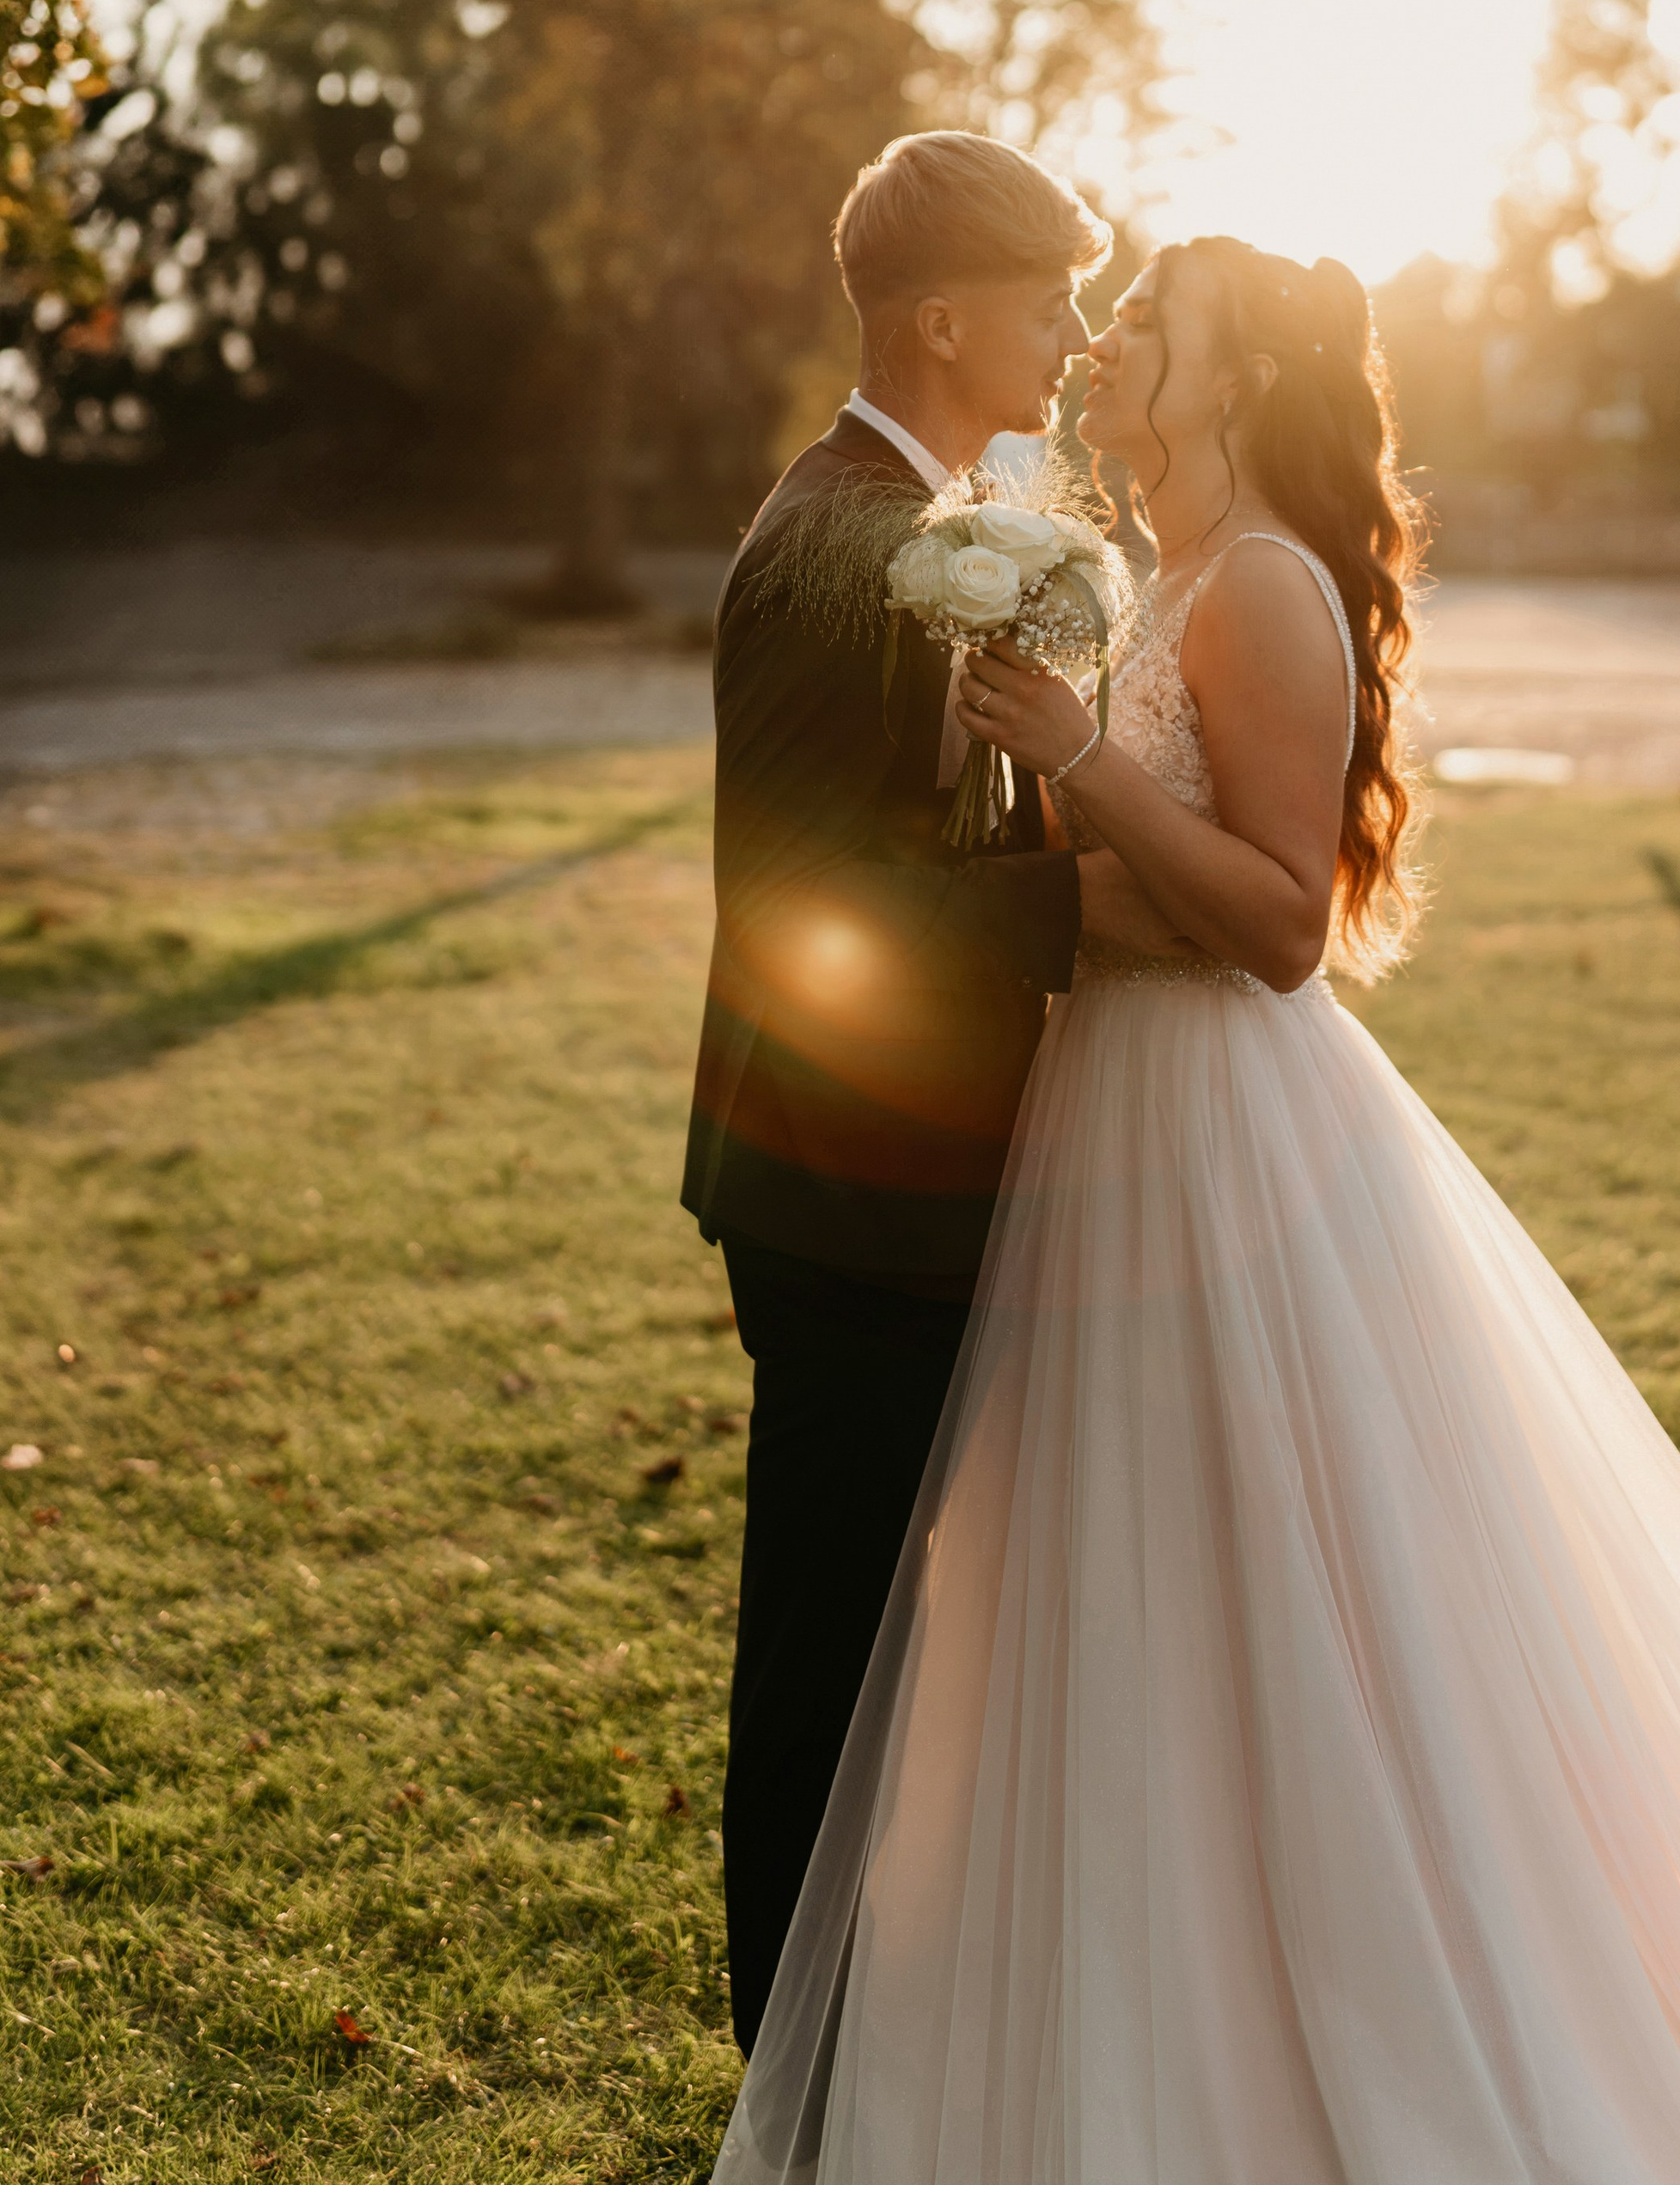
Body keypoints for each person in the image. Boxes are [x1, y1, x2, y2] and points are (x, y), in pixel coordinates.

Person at [716, 233, 1680, 2184]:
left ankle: (1351, 2011)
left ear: (1229, 383)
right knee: (1119, 1596)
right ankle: (1139, 1997)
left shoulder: (1264, 591)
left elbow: (1273, 933)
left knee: (1286, 1603)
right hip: (1095, 1132)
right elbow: (1105, 874)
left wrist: (1078, 762)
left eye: (1144, 327)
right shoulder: (1157, 583)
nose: (1102, 351)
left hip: (1223, 1126)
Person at [682, 130, 1182, 2055]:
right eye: (1049, 298)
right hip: (846, 1182)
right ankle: (785, 2069)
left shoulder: (935, 516)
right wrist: (1081, 901)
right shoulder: (831, 543)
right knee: (829, 1640)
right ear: (942, 315)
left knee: (897, 1638)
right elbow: (802, 908)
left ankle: (865, 2030)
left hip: (913, 1166)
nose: (1068, 333)